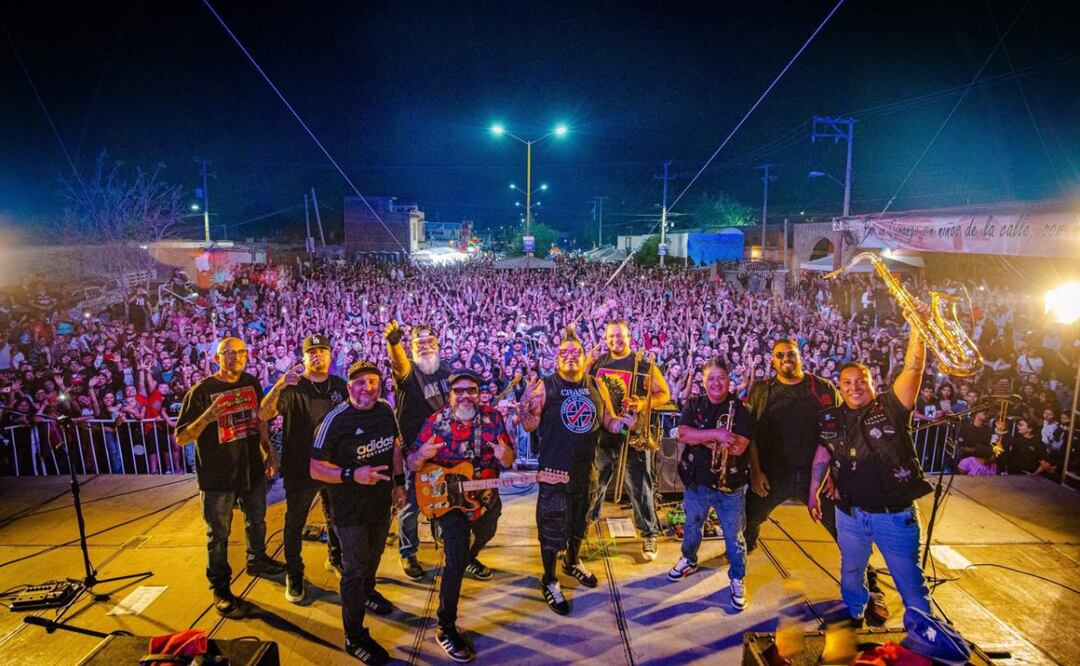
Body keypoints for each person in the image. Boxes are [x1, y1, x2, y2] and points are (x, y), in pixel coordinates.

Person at [745, 339, 889, 624]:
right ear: (772, 361)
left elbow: (841, 432)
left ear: (801, 356)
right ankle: (744, 549)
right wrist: (755, 472)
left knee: (846, 533)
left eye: (791, 353)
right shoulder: (762, 391)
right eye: (780, 355)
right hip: (774, 475)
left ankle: (871, 588)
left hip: (818, 476)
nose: (786, 358)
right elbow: (752, 436)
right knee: (748, 519)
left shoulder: (822, 388)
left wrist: (836, 475)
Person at [808, 312, 937, 627]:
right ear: (839, 387)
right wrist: (814, 491)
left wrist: (919, 328)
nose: (854, 388)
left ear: (872, 382)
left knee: (908, 578)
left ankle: (924, 631)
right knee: (851, 570)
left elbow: (913, 368)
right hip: (849, 513)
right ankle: (854, 611)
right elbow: (823, 452)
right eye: (847, 383)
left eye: (860, 381)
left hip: (892, 514)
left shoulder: (891, 407)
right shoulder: (830, 418)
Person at [518, 326, 634, 615]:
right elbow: (529, 425)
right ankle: (550, 579)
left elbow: (608, 420)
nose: (570, 356)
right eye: (564, 353)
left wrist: (623, 423)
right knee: (551, 530)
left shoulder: (597, 384)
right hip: (554, 473)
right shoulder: (546, 386)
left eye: (576, 352)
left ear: (584, 357)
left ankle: (571, 563)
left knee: (579, 525)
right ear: (557, 359)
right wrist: (524, 404)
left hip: (587, 472)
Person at [405, 370, 515, 663]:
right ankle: (445, 626)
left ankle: (469, 555)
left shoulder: (493, 419)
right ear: (450, 394)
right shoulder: (436, 422)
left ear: (480, 393)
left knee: (486, 533)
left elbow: (509, 459)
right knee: (454, 562)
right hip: (450, 504)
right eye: (459, 391)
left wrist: (505, 455)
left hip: (486, 498)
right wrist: (422, 455)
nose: (465, 395)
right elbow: (412, 462)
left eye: (472, 390)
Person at [175, 337, 284, 618]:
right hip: (217, 476)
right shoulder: (202, 391)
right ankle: (220, 588)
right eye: (229, 353)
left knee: (257, 520)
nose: (236, 357)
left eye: (241, 352)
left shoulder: (250, 382)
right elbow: (182, 438)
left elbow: (259, 420)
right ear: (217, 359)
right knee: (218, 535)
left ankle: (257, 560)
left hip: (251, 469)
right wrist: (209, 417)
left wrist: (268, 452)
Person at [309, 359, 407, 665]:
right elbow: (314, 468)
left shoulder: (385, 410)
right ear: (350, 386)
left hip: (380, 504)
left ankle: (369, 591)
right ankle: (354, 636)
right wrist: (353, 474)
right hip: (349, 510)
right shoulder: (335, 420)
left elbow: (394, 448)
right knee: (352, 569)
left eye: (374, 382)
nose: (369, 388)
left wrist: (399, 483)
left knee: (374, 557)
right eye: (361, 382)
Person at [259, 334, 348, 603]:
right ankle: (294, 573)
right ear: (304, 357)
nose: (317, 355)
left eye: (322, 350)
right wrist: (278, 385)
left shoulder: (340, 386)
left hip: (333, 465)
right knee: (295, 522)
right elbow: (264, 414)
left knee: (335, 517)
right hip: (300, 466)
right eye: (312, 352)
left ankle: (335, 558)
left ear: (330, 355)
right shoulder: (292, 386)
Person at [667, 357, 753, 612]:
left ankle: (737, 578)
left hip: (731, 486)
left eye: (721, 378)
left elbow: (738, 446)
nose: (716, 383)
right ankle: (688, 559)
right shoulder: (694, 404)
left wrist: (699, 437)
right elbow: (683, 435)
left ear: (729, 379)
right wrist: (716, 435)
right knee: (692, 526)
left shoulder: (742, 410)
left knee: (734, 537)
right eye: (710, 378)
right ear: (703, 382)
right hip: (697, 481)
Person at [586, 319, 670, 561]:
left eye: (619, 336)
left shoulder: (643, 364)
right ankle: (585, 525)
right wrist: (588, 362)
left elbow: (664, 393)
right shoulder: (598, 363)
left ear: (629, 336)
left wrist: (643, 403)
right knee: (595, 484)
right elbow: (580, 384)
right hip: (604, 433)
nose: (615, 340)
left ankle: (649, 534)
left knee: (639, 486)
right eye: (611, 336)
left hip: (632, 434)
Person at [385, 320, 451, 581]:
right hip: (416, 451)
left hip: (446, 449)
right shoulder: (409, 371)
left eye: (429, 342)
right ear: (411, 348)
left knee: (447, 498)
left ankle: (447, 539)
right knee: (411, 505)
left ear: (438, 345)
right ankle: (408, 551)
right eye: (419, 344)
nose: (425, 347)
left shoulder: (446, 370)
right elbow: (399, 363)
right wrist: (394, 343)